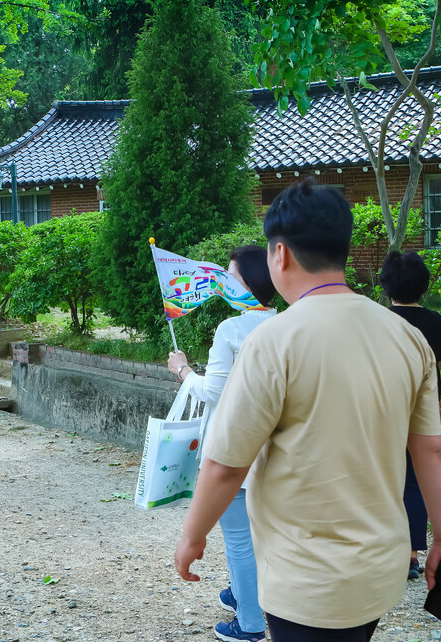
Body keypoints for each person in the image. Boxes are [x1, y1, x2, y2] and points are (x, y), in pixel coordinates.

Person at [174, 179, 441, 641]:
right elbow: (431, 452)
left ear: (280, 254)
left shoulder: (271, 342)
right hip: (379, 570)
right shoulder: (409, 338)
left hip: (304, 580)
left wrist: (193, 536)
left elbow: (227, 464)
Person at [167, 245, 276, 642]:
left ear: (246, 284)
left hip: (233, 446)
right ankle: (241, 593)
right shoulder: (282, 325)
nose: (223, 283)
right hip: (272, 448)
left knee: (239, 540)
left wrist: (182, 370)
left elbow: (213, 391)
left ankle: (249, 623)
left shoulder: (231, 329)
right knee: (258, 535)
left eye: (230, 276)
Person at [379, 251, 441, 580]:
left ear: (386, 286)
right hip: (425, 411)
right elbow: (440, 364)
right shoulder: (434, 320)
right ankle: (410, 556)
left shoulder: (381, 321)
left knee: (385, 476)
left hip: (386, 409)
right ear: (424, 286)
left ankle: (386, 551)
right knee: (415, 479)